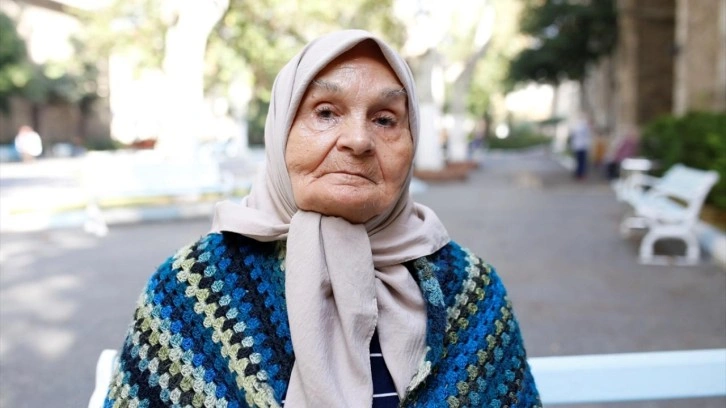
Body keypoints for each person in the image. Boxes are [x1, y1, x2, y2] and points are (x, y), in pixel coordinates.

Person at [104, 30, 540, 408]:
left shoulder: (467, 288)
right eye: (326, 112)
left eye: (385, 119)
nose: (358, 140)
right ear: (281, 130)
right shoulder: (196, 285)